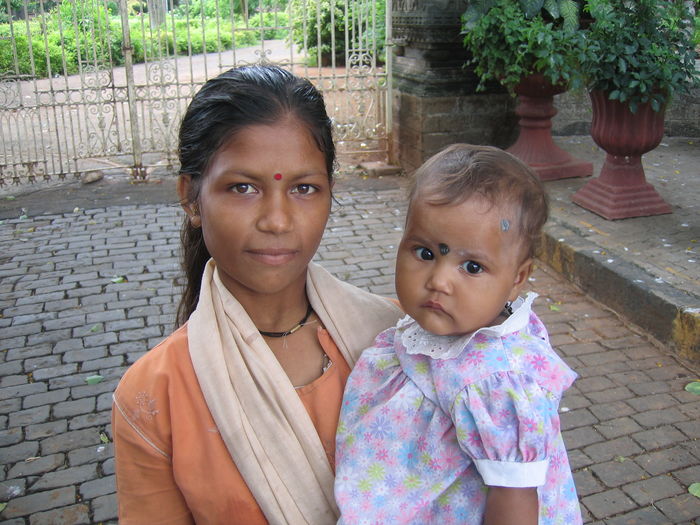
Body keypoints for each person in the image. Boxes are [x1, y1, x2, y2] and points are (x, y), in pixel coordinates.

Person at [111, 65, 403, 524]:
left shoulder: (402, 340)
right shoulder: (155, 396)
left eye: (304, 188)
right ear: (191, 197)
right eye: (243, 188)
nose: (277, 221)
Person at [335, 144, 582, 525]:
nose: (439, 281)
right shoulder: (442, 328)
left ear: (517, 279)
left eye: (472, 267)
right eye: (425, 253)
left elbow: (515, 499)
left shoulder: (495, 381)